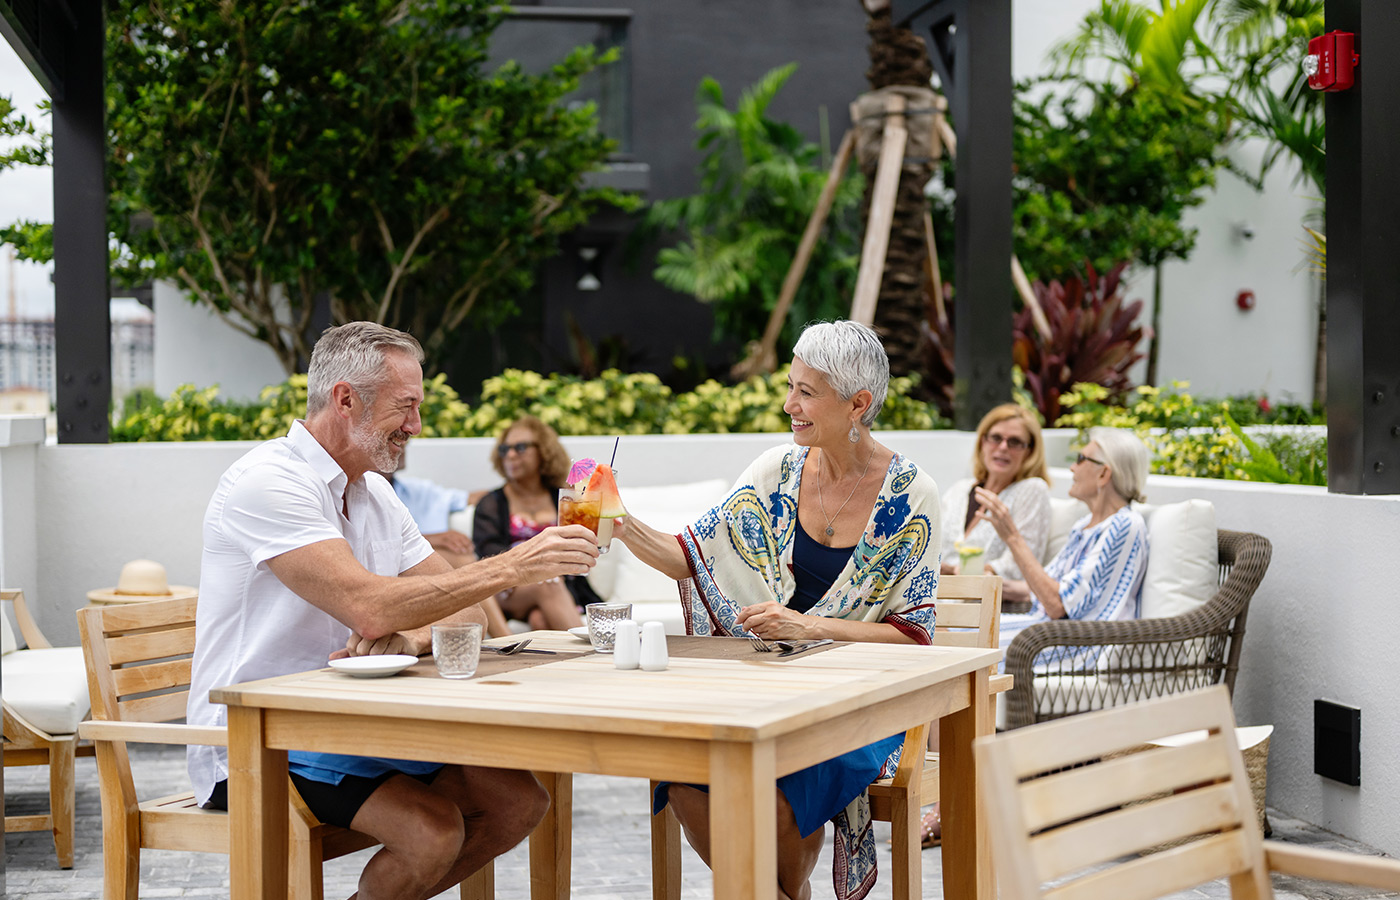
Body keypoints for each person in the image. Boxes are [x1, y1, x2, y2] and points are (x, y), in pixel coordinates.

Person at [186, 322, 599, 900]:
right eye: (406, 407)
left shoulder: (375, 491)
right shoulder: (268, 482)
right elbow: (368, 606)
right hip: (259, 739)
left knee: (519, 803)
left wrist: (413, 639)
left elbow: (470, 618)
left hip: (354, 721)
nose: (416, 426)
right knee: (432, 833)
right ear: (346, 399)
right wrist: (512, 565)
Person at [615, 320, 940, 900]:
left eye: (806, 392)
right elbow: (689, 557)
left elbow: (913, 638)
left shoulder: (912, 495)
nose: (788, 404)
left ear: (858, 403)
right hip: (763, 692)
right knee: (685, 776)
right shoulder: (776, 472)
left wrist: (808, 626)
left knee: (778, 796)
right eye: (790, 386)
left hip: (860, 704)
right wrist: (617, 519)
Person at [975, 427, 1151, 654]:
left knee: (953, 644)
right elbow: (1042, 588)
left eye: (1081, 459)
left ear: (1103, 474)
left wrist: (1012, 538)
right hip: (1039, 633)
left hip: (1070, 647)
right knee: (944, 630)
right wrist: (988, 583)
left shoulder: (1124, 525)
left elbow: (1057, 604)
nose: (1072, 467)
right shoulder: (1084, 526)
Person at [472, 415, 599, 631]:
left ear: (543, 451)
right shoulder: (491, 503)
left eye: (520, 447)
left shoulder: (563, 497)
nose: (510, 455)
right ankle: (593, 658)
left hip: (560, 585)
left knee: (540, 619)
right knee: (548, 584)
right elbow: (488, 555)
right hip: (508, 588)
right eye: (505, 449)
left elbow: (584, 543)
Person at [940, 403, 1051, 578]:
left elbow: (1022, 566)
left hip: (986, 600)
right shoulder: (959, 490)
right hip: (933, 597)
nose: (1003, 447)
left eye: (1015, 442)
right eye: (996, 438)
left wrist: (961, 572)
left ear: (1029, 452)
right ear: (983, 442)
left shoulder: (1032, 490)